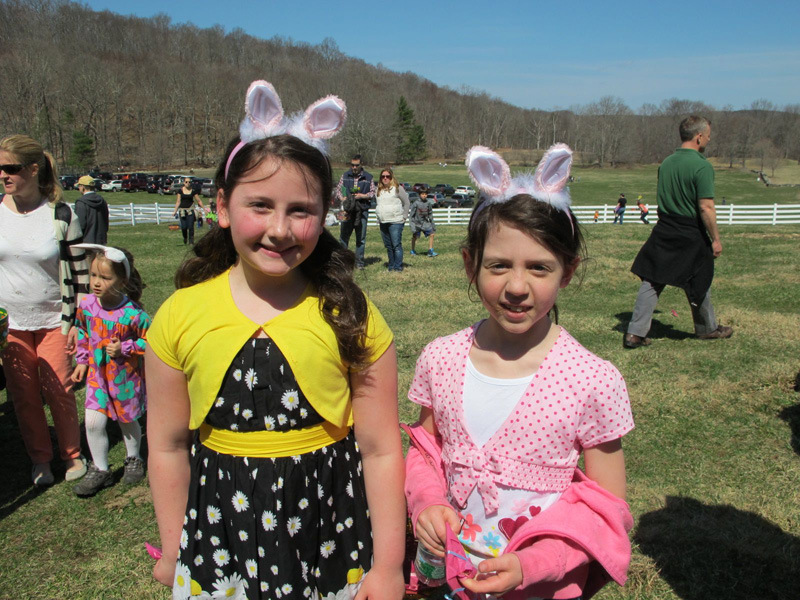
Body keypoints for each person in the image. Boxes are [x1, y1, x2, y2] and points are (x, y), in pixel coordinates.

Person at [146, 81, 405, 600]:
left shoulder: (350, 315)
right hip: (221, 533)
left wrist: (390, 566)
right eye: (260, 205)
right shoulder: (179, 316)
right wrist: (175, 546)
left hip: (330, 529)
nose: (280, 229)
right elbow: (169, 445)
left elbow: (379, 451)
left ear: (325, 213)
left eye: (300, 210)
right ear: (221, 206)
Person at [404, 145, 634, 600]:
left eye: (539, 268)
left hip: (541, 589)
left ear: (568, 272)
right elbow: (425, 451)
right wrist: (427, 503)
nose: (515, 287)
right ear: (470, 264)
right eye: (498, 266)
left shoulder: (592, 379)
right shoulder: (441, 358)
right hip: (446, 582)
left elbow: (607, 509)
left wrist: (533, 564)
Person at [0, 134, 89, 485]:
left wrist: (77, 324)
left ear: (33, 170)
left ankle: (72, 456)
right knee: (23, 397)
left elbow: (81, 277)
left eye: (10, 168)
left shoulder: (61, 215)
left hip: (57, 320)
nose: (3, 175)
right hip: (11, 325)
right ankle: (40, 459)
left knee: (60, 392)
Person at [624, 116, 732, 349]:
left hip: (665, 227)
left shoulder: (667, 163)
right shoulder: (702, 166)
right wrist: (715, 239)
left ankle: (634, 333)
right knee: (700, 278)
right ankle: (707, 329)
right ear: (699, 136)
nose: (709, 139)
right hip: (690, 230)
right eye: (708, 135)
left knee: (652, 279)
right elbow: (705, 207)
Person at [70, 244, 149, 497]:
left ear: (122, 280)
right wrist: (82, 361)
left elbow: (151, 342)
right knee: (93, 422)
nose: (96, 282)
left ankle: (134, 458)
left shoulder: (133, 313)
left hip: (125, 378)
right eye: (93, 275)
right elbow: (82, 333)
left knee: (128, 422)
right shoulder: (87, 305)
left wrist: (125, 348)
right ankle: (101, 470)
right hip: (97, 377)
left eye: (105, 277)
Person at [337, 154, 375, 269]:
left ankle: (359, 262)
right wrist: (343, 198)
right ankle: (342, 262)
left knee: (361, 238)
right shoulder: (345, 176)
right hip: (347, 210)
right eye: (352, 165)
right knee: (343, 237)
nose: (354, 167)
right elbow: (338, 190)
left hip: (362, 210)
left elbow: (373, 193)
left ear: (361, 164)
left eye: (356, 165)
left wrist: (362, 196)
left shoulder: (368, 177)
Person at [375, 168, 410, 272]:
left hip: (396, 221)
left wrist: (404, 217)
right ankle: (391, 266)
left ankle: (398, 267)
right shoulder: (378, 190)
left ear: (391, 177)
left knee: (396, 245)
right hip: (383, 221)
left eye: (387, 176)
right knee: (389, 246)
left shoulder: (398, 188)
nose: (385, 178)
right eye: (383, 176)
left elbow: (407, 203)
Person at [75, 175, 109, 244]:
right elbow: (106, 221)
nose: (78, 188)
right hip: (101, 241)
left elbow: (80, 225)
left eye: (79, 186)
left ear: (83, 187)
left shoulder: (81, 203)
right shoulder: (102, 201)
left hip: (87, 242)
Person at [172, 177, 205, 245]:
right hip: (182, 211)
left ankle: (191, 242)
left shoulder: (193, 191)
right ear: (184, 183)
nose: (188, 183)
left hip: (190, 211)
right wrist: (175, 211)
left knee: (190, 226)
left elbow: (198, 200)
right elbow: (178, 202)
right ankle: (185, 237)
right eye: (186, 182)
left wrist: (204, 208)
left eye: (189, 182)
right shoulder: (180, 191)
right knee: (184, 227)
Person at [409, 189, 438, 257]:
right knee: (415, 237)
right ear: (419, 195)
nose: (424, 196)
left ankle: (430, 250)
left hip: (425, 223)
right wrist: (412, 226)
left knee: (432, 234)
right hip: (417, 223)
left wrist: (432, 224)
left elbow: (430, 214)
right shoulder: (416, 203)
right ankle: (412, 250)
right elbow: (411, 216)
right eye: (422, 194)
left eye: (425, 194)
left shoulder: (428, 203)